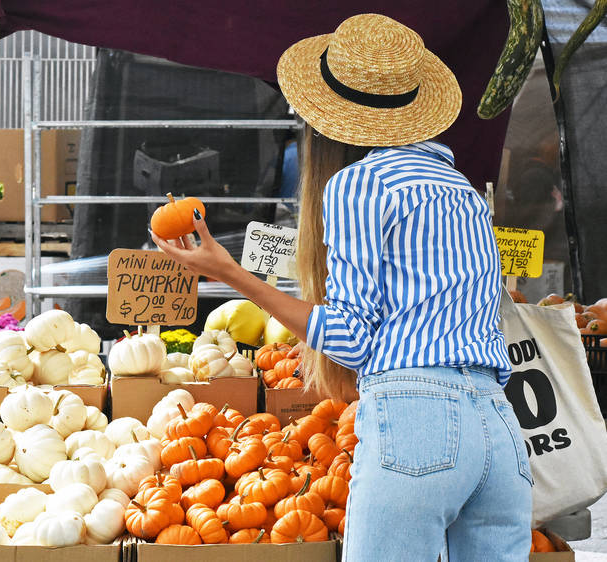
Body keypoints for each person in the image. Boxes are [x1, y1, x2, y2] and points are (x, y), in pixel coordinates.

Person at [151, 13, 532, 561]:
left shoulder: (360, 183)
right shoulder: (465, 192)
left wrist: (231, 274)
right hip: (498, 424)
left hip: (417, 416)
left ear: (330, 118)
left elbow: (350, 338)